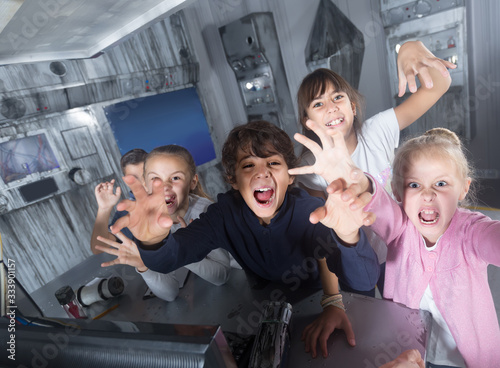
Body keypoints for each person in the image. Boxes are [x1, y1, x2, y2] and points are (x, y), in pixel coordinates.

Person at [99, 120, 380, 353]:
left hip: (317, 302)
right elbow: (173, 256)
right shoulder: (224, 214)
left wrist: (349, 237)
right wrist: (151, 242)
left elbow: (364, 281)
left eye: (273, 163)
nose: (262, 173)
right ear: (233, 179)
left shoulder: (310, 211)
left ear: (290, 176)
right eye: (248, 165)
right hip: (263, 302)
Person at [292, 122, 500, 368]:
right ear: (398, 193)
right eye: (414, 184)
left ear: (464, 188)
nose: (427, 194)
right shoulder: (400, 227)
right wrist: (354, 179)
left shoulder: (471, 231)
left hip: (470, 361)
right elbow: (377, 202)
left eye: (441, 183)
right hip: (410, 355)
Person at [295, 40, 455, 357]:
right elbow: (323, 237)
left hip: (401, 248)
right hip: (359, 259)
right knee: (367, 328)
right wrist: (332, 300)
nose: (330, 107)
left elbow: (441, 83)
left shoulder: (378, 129)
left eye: (337, 97)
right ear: (308, 121)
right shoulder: (312, 172)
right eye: (318, 104)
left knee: (417, 323)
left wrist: (410, 49)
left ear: (352, 106)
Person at [96, 145, 234, 301]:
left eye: (175, 178)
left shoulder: (204, 212)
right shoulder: (142, 225)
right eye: (155, 179)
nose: (164, 187)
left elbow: (222, 277)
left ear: (192, 182)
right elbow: (170, 294)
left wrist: (182, 251)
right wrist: (143, 266)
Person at [91, 148, 147, 254]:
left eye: (145, 175)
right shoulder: (126, 213)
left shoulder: (174, 192)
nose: (142, 183)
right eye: (134, 178)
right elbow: (98, 247)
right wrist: (104, 209)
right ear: (126, 181)